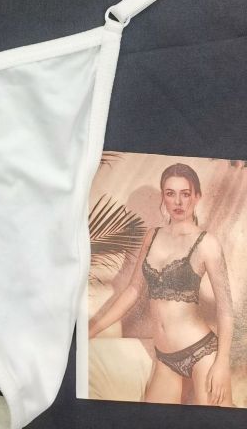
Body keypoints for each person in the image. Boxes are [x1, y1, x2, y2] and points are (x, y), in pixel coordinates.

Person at [89, 162, 234, 406]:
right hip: (166, 359)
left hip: (202, 353)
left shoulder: (207, 243)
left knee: (215, 420)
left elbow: (226, 309)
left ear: (197, 196)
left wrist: (221, 362)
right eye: (170, 193)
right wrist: (91, 331)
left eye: (185, 194)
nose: (178, 202)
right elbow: (133, 290)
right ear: (163, 197)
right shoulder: (152, 236)